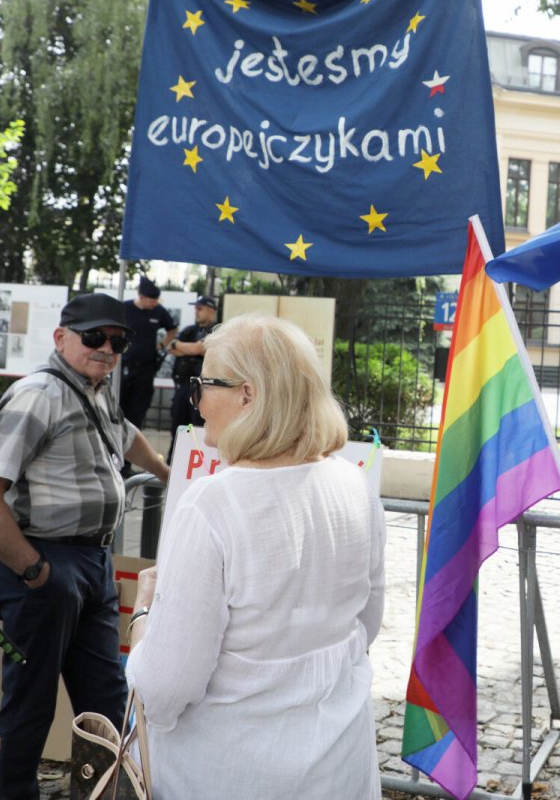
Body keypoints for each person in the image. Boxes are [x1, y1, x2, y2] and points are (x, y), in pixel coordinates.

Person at [126, 314, 386, 799]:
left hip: (229, 771)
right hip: (337, 767)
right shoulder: (352, 483)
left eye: (204, 383)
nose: (196, 399)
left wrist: (143, 610)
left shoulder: (212, 504)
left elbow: (163, 690)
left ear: (247, 395)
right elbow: (364, 626)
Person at [0, 292, 171, 800]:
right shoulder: (39, 393)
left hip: (91, 562)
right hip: (47, 562)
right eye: (94, 337)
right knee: (30, 703)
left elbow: (126, 436)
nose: (106, 348)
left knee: (105, 700)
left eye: (117, 341)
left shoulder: (94, 388)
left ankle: (108, 791)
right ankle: (13, 795)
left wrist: (177, 478)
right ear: (61, 338)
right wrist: (34, 571)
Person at [119, 275, 177, 430]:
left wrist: (162, 345)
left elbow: (172, 329)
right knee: (118, 407)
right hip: (123, 366)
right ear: (142, 297)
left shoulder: (158, 311)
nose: (155, 303)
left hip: (146, 368)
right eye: (152, 300)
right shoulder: (124, 308)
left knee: (138, 410)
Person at [164, 294, 218, 458]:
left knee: (198, 429)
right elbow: (169, 348)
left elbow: (199, 349)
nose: (196, 312)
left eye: (200, 308)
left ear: (211, 310)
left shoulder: (216, 330)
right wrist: (186, 347)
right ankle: (171, 466)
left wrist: (180, 345)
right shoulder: (189, 330)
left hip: (203, 389)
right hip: (183, 386)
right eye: (196, 308)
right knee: (178, 428)